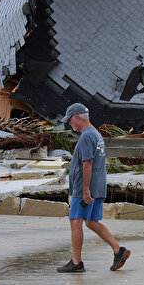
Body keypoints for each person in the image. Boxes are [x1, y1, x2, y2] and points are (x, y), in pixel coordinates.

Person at [56, 103, 132, 273]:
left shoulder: (85, 137)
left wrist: (84, 190)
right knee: (91, 221)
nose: (70, 125)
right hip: (97, 186)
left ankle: (76, 262)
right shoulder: (96, 135)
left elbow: (87, 164)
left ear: (77, 117)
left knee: (75, 221)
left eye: (70, 121)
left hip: (85, 187)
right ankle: (118, 250)